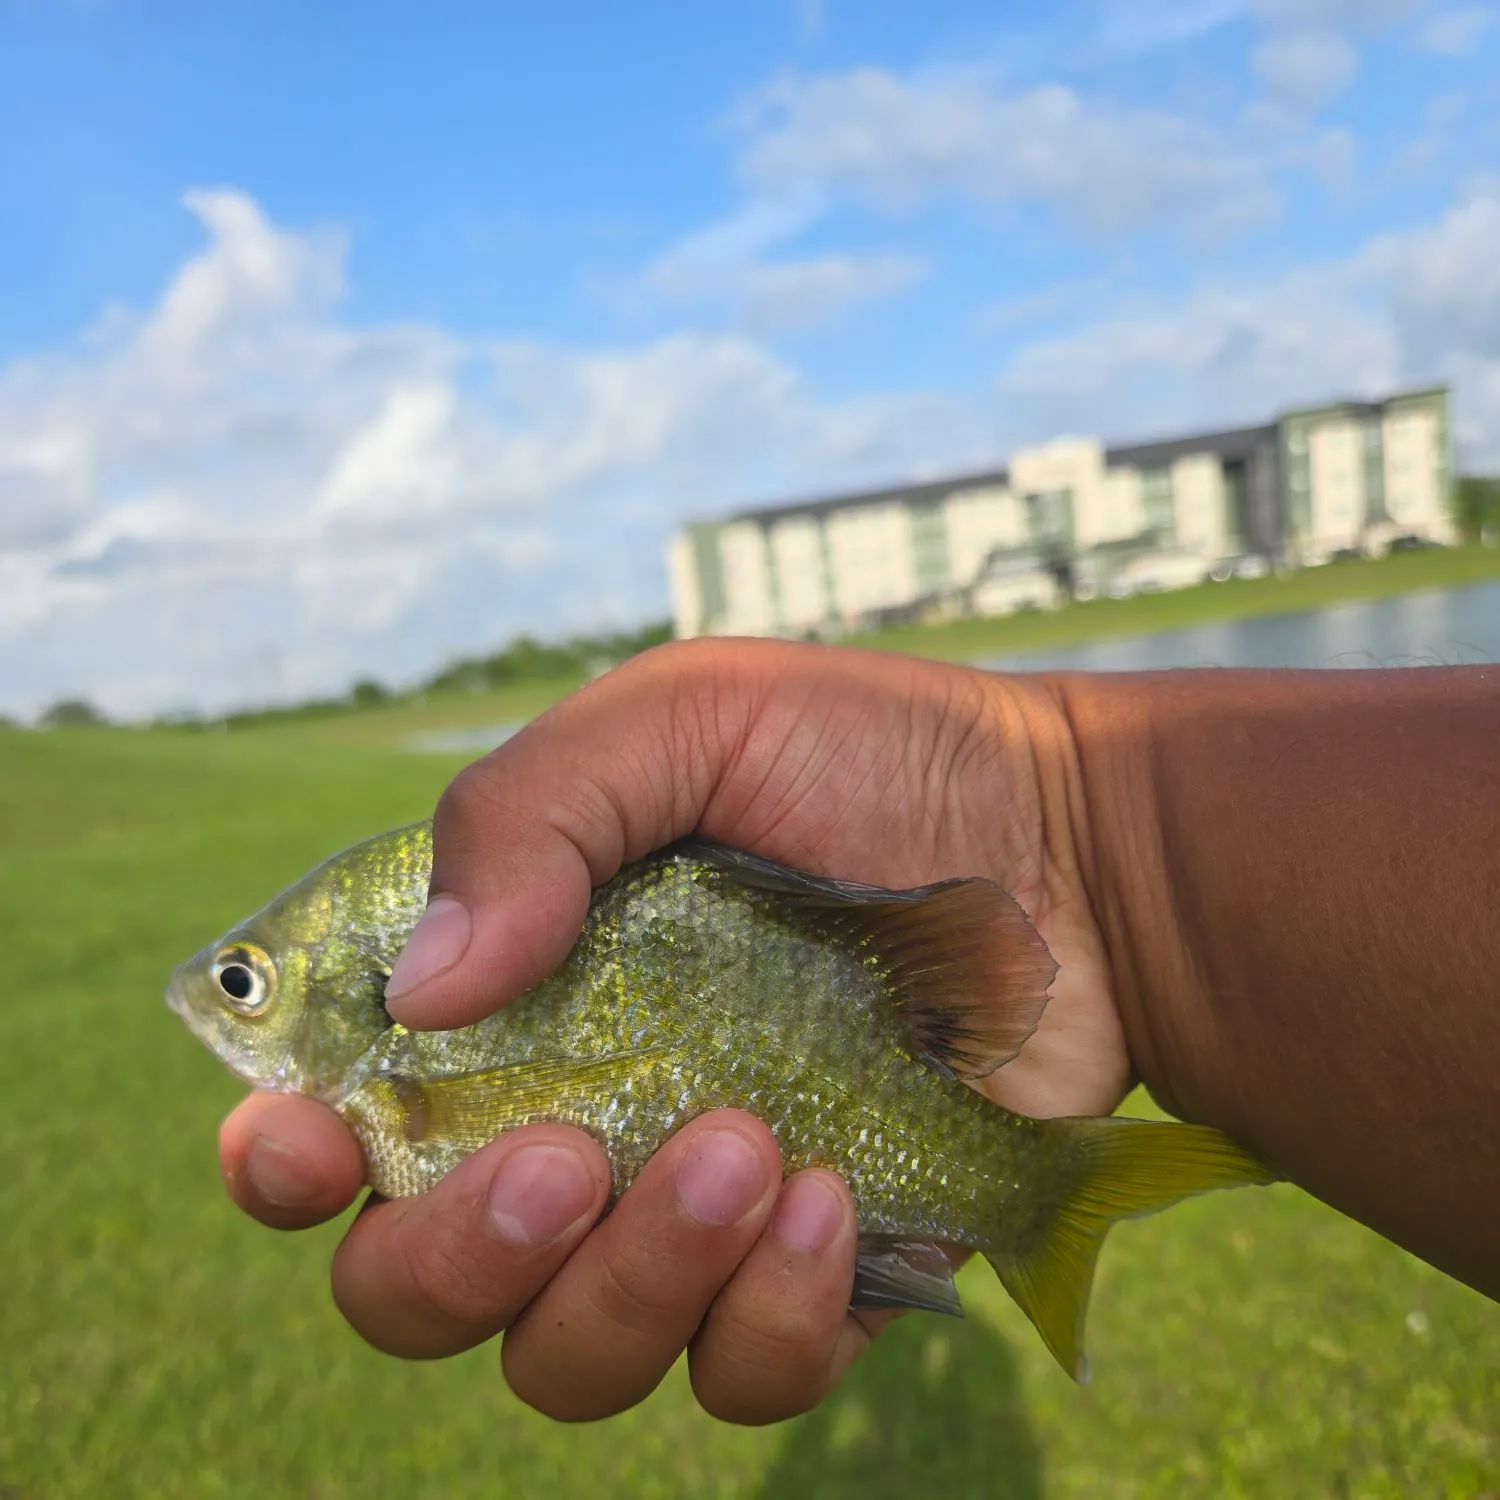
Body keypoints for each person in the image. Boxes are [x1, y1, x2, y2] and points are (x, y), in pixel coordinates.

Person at [218, 639, 1500, 1425]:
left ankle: (1032, 1196)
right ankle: (1020, 1199)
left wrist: (1089, 826)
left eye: (246, 986)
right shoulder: (384, 1061)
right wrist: (1094, 833)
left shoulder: (397, 1032)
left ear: (352, 988)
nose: (229, 1007)